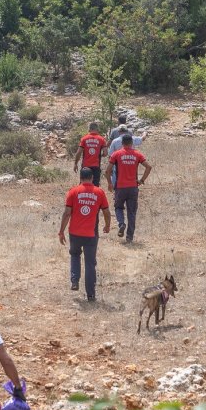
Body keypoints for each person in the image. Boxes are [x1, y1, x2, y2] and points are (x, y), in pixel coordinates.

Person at [59, 167, 111, 301]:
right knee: (90, 263)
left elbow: (66, 213)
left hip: (74, 232)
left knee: (75, 254)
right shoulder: (99, 192)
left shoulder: (73, 192)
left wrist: (61, 231)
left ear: (80, 178)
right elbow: (106, 211)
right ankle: (91, 294)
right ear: (92, 178)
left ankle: (75, 280)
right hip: (91, 234)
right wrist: (107, 225)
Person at [106, 134, 152, 243]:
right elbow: (149, 167)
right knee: (131, 212)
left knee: (118, 207)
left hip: (120, 187)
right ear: (131, 143)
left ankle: (121, 223)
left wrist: (109, 183)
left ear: (122, 143)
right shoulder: (137, 154)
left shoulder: (116, 154)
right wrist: (141, 180)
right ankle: (129, 237)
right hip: (133, 188)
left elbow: (107, 171)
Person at [73, 122, 107, 187]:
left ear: (89, 129)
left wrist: (75, 164)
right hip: (96, 167)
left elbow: (79, 152)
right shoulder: (101, 139)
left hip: (85, 167)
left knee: (83, 186)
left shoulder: (84, 139)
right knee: (95, 187)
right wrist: (100, 155)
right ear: (97, 129)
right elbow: (105, 153)